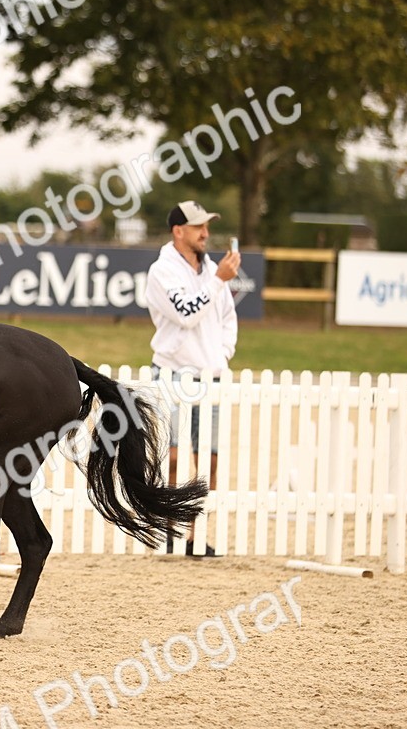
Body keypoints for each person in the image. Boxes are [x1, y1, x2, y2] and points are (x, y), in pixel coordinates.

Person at [145, 200, 240, 556]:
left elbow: (228, 319)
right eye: (199, 227)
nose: (205, 233)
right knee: (170, 456)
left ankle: (194, 536)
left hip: (209, 377)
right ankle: (169, 530)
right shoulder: (162, 271)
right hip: (172, 374)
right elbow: (186, 313)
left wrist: (221, 355)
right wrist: (218, 281)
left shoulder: (212, 270)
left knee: (208, 459)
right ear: (178, 231)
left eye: (206, 226)